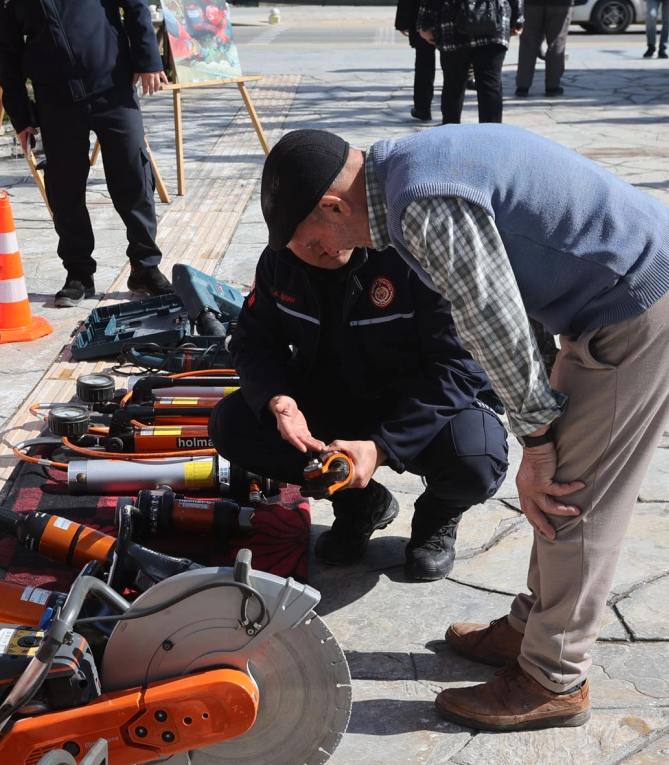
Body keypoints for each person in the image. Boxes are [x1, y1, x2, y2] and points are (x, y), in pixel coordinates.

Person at [260, 125, 669, 731]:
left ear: (332, 205)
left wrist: (536, 443)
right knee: (566, 487)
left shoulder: (421, 205)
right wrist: (541, 423)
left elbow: (491, 325)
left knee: (572, 500)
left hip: (639, 303)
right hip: (619, 296)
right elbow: (509, 296)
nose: (317, 251)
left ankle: (554, 676)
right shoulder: (406, 165)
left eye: (310, 237)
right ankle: (535, 626)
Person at [210, 239, 508, 581]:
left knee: (477, 459)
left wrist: (383, 447)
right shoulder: (278, 262)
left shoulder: (416, 254)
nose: (327, 242)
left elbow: (459, 365)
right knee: (232, 424)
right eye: (306, 236)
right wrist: (279, 399)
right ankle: (360, 503)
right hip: (334, 395)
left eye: (333, 220)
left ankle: (437, 517)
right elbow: (253, 341)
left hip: (418, 402)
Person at [0, 0, 171, 307]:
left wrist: (147, 59)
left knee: (132, 178)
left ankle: (145, 266)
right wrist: (21, 115)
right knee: (65, 190)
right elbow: (7, 55)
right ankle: (78, 275)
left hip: (111, 86)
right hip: (56, 100)